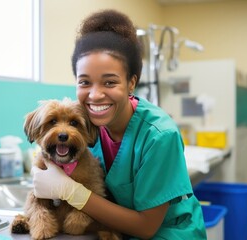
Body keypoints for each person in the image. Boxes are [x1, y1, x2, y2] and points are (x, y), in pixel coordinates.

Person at [32, 9, 207, 239]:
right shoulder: (85, 127)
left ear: (131, 83)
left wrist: (70, 191)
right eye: (85, 82)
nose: (94, 95)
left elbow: (146, 227)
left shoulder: (159, 136)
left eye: (110, 82)